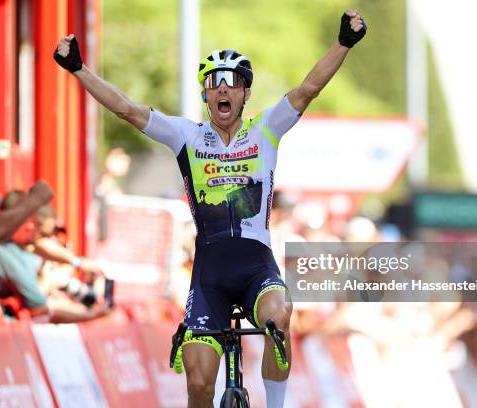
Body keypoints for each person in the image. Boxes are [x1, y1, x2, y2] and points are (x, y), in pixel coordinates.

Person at [54, 9, 366, 407]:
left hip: (257, 267)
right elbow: (127, 110)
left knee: (280, 314)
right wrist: (79, 68)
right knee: (199, 384)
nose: (223, 90)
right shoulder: (186, 135)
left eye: (232, 84)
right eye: (213, 84)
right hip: (209, 276)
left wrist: (344, 43)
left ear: (245, 93)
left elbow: (308, 89)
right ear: (205, 94)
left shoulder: (266, 129)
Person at [0, 191, 109, 323]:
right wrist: (93, 315)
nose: (50, 241)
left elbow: (39, 246)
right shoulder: (15, 263)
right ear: (29, 227)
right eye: (45, 234)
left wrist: (77, 262)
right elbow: (43, 311)